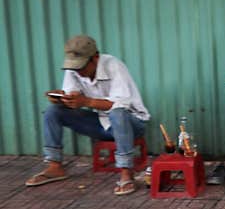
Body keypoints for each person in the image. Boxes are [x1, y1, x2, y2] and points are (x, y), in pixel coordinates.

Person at [25, 35, 151, 195]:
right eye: (75, 68)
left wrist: (85, 101)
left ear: (95, 58)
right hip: (102, 124)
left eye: (82, 67)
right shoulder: (74, 70)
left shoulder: (114, 66)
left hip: (132, 124)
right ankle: (54, 166)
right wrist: (61, 99)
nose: (79, 71)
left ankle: (126, 172)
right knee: (53, 111)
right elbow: (74, 98)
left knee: (117, 113)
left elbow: (120, 105)